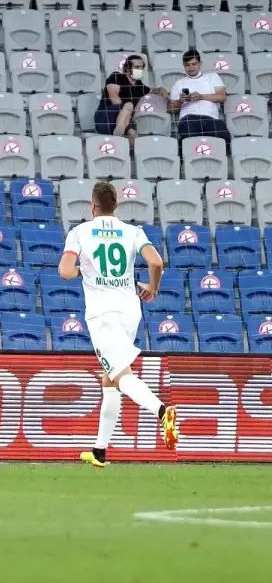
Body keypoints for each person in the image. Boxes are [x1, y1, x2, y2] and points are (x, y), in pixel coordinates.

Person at [59, 182, 179, 466]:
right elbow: (157, 262)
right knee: (109, 377)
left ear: (92, 205)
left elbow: (65, 272)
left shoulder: (79, 232)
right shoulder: (132, 231)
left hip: (102, 314)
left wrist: (83, 270)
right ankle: (100, 451)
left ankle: (162, 410)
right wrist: (153, 286)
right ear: (117, 206)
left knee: (120, 373)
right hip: (129, 310)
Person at [94, 54, 167, 143]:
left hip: (125, 121)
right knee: (129, 105)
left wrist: (161, 89)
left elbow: (152, 91)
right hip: (105, 119)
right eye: (137, 67)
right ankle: (119, 134)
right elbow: (113, 96)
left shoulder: (139, 85)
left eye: (141, 67)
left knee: (134, 136)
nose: (140, 70)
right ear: (128, 68)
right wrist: (128, 113)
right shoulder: (116, 76)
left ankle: (124, 142)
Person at [168, 48, 230, 142]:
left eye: (194, 64)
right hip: (189, 119)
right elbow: (171, 108)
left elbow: (222, 97)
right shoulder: (179, 83)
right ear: (183, 66)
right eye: (187, 65)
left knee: (225, 138)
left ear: (200, 63)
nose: (191, 67)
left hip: (211, 118)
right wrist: (180, 101)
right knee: (188, 141)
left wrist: (200, 96)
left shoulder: (212, 77)